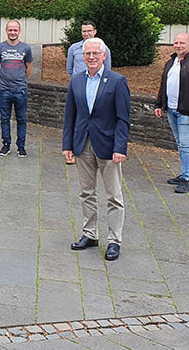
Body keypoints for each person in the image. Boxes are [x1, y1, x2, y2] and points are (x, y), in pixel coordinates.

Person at [62, 37, 130, 261]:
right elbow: (70, 116)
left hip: (109, 147)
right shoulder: (76, 81)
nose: (91, 57)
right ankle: (90, 234)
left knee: (114, 196)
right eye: (87, 53)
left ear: (104, 55)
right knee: (86, 193)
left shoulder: (117, 81)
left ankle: (114, 240)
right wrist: (67, 145)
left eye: (95, 53)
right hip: (82, 144)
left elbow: (123, 119)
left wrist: (120, 147)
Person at [154, 32, 189, 193]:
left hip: (186, 113)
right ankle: (186, 173)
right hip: (172, 110)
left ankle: (185, 177)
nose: (178, 45)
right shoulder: (171, 62)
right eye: (176, 43)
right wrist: (158, 104)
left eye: (182, 43)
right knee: (180, 144)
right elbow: (164, 85)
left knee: (185, 145)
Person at [0, 20, 33, 157]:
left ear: (19, 31)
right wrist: (5, 77)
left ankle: (21, 146)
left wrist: (19, 79)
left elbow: (29, 68)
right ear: (6, 31)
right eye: (10, 30)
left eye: (15, 30)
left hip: (20, 89)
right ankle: (6, 144)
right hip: (4, 90)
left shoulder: (26, 48)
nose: (12, 32)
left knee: (21, 119)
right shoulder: (0, 47)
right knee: (5, 118)